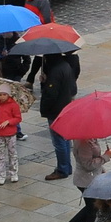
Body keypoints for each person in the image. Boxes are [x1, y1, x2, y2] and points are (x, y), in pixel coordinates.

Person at [64, 138, 109, 222]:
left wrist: (101, 169)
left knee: (93, 207)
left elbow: (93, 157)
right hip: (86, 182)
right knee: (93, 210)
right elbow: (88, 165)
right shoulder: (83, 143)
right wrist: (105, 157)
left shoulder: (91, 138)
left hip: (92, 179)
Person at [40, 52, 78, 180]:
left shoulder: (55, 71)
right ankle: (67, 167)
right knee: (64, 139)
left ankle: (62, 169)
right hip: (65, 108)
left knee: (59, 141)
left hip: (56, 111)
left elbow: (51, 94)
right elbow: (72, 88)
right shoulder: (65, 66)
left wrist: (44, 108)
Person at [0, 83, 22, 184]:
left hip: (10, 133)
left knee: (12, 153)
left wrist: (8, 121)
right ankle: (1, 175)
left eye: (4, 94)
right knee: (0, 154)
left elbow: (18, 118)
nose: (2, 97)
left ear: (8, 95)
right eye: (0, 94)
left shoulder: (13, 105)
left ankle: (13, 173)